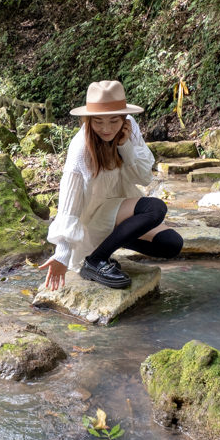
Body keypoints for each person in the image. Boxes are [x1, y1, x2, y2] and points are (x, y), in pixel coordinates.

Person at [39, 80, 183, 290]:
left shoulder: (130, 127)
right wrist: (62, 253)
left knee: (171, 245)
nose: (106, 129)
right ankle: (95, 261)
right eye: (98, 122)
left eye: (113, 121)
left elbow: (143, 178)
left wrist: (124, 145)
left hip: (118, 213)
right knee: (155, 208)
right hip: (93, 220)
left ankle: (110, 245)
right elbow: (68, 205)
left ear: (124, 118)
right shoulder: (80, 148)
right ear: (88, 120)